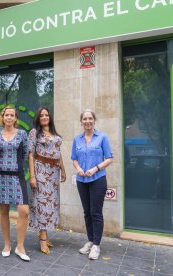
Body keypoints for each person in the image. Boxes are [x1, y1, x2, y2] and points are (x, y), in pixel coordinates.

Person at [71, 109, 113, 260]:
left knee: (96, 212)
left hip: (98, 180)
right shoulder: (77, 139)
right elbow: (74, 158)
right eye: (84, 119)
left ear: (94, 120)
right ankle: (90, 240)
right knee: (87, 212)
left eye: (90, 118)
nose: (87, 121)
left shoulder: (102, 137)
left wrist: (96, 168)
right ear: (81, 122)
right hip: (82, 180)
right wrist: (78, 169)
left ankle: (96, 245)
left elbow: (109, 158)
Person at [0, 106, 30, 261]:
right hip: (1, 177)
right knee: (4, 212)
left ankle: (20, 246)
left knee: (24, 211)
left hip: (17, 176)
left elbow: (25, 153)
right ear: (2, 117)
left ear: (15, 118)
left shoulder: (22, 134)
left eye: (12, 115)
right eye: (7, 115)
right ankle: (7, 244)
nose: (9, 117)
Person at [28, 107, 66, 255]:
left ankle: (45, 234)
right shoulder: (34, 133)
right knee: (42, 204)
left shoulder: (55, 134)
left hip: (54, 172)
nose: (44, 117)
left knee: (51, 204)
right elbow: (31, 155)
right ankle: (42, 238)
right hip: (41, 172)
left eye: (46, 115)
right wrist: (32, 176)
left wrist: (63, 169)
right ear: (38, 118)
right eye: (41, 115)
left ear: (50, 117)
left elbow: (58, 153)